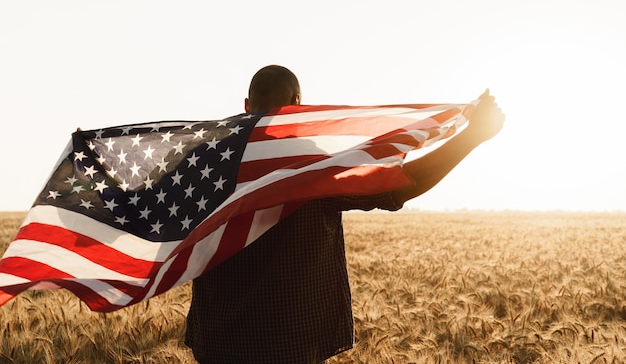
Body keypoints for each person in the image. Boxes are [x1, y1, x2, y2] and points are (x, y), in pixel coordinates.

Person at [185, 65, 505, 364]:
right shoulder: (314, 164)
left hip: (218, 343)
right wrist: (471, 135)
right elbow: (400, 185)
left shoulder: (205, 164)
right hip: (293, 344)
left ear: (246, 104)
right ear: (298, 103)